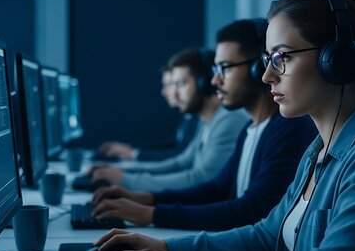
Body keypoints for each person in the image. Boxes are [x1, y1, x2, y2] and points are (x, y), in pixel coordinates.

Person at [92, 0, 355, 251]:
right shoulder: (319, 149)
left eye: (283, 57)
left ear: (337, 61)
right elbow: (266, 235)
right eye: (268, 60)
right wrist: (166, 249)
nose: (267, 75)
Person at [90, 19, 317, 230]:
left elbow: (250, 210)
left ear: (258, 67)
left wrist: (153, 214)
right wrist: (147, 199)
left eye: (225, 68)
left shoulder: (289, 130)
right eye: (215, 70)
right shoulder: (250, 130)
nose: (214, 81)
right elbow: (216, 189)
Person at [91, 48, 249, 192]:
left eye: (180, 84)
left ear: (205, 83)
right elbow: (180, 163)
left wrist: (127, 180)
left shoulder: (229, 120)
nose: (174, 93)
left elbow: (201, 178)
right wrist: (123, 170)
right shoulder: (206, 122)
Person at [97, 66, 200, 162]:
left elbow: (179, 157)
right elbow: (173, 144)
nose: (165, 92)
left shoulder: (199, 118)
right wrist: (132, 149)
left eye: (178, 84)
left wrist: (133, 155)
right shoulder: (188, 116)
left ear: (200, 83)